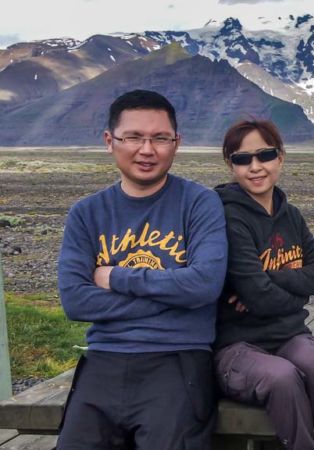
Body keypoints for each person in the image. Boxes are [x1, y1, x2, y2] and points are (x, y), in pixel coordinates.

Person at [56, 89, 228, 449]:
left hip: (177, 361)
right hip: (104, 359)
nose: (147, 150)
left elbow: (204, 286)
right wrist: (175, 295)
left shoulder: (199, 203)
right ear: (110, 141)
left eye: (159, 138)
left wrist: (115, 277)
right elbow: (76, 301)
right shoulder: (86, 214)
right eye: (133, 137)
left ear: (176, 143)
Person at [213, 119, 314, 450]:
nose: (255, 167)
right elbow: (260, 298)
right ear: (231, 165)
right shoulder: (228, 217)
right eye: (242, 159)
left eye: (265, 155)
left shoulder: (291, 215)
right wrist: (293, 289)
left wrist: (267, 278)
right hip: (235, 346)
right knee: (283, 378)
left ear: (280, 157)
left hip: (289, 335)